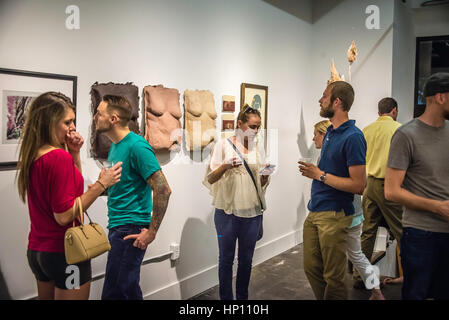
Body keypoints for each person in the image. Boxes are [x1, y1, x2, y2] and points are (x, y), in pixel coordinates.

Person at [16, 91, 122, 300]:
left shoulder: (35, 154)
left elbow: (72, 191)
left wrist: (74, 154)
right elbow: (64, 215)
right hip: (66, 253)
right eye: (67, 122)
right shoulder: (58, 157)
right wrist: (102, 184)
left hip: (38, 252)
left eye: (73, 120)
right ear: (49, 122)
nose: (73, 127)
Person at [94, 95, 171, 300]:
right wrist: (100, 187)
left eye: (99, 113)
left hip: (131, 229)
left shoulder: (137, 146)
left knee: (118, 292)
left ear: (113, 119)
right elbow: (121, 187)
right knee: (123, 290)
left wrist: (151, 232)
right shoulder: (116, 146)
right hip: (118, 227)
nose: (95, 117)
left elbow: (163, 189)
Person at [299, 81, 366, 300]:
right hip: (315, 210)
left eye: (324, 96)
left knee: (334, 277)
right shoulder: (329, 132)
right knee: (311, 268)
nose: (320, 100)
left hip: (335, 214)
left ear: (337, 102)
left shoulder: (353, 137)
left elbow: (359, 185)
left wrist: (319, 175)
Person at [385, 72, 449, 300]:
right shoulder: (406, 135)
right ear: (440, 97)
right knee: (416, 295)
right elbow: (391, 191)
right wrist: (437, 207)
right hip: (421, 234)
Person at [203, 105, 273, 300]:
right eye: (252, 126)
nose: (256, 131)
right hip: (227, 212)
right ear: (239, 124)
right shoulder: (223, 145)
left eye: (259, 127)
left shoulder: (257, 146)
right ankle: (226, 299)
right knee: (225, 259)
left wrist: (266, 174)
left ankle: (242, 298)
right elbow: (210, 178)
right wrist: (225, 165)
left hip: (252, 212)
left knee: (246, 260)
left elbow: (260, 182)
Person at [312, 120, 385, 300]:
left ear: (324, 134)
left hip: (343, 213)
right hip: (350, 212)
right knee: (355, 254)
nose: (313, 139)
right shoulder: (328, 155)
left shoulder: (330, 156)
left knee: (338, 260)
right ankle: (376, 290)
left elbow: (349, 184)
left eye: (316, 134)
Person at [354, 97, 404, 288]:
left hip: (369, 186)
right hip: (389, 185)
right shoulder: (399, 129)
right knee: (402, 232)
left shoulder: (366, 130)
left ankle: (360, 278)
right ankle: (412, 276)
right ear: (395, 111)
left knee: (367, 232)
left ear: (378, 112)